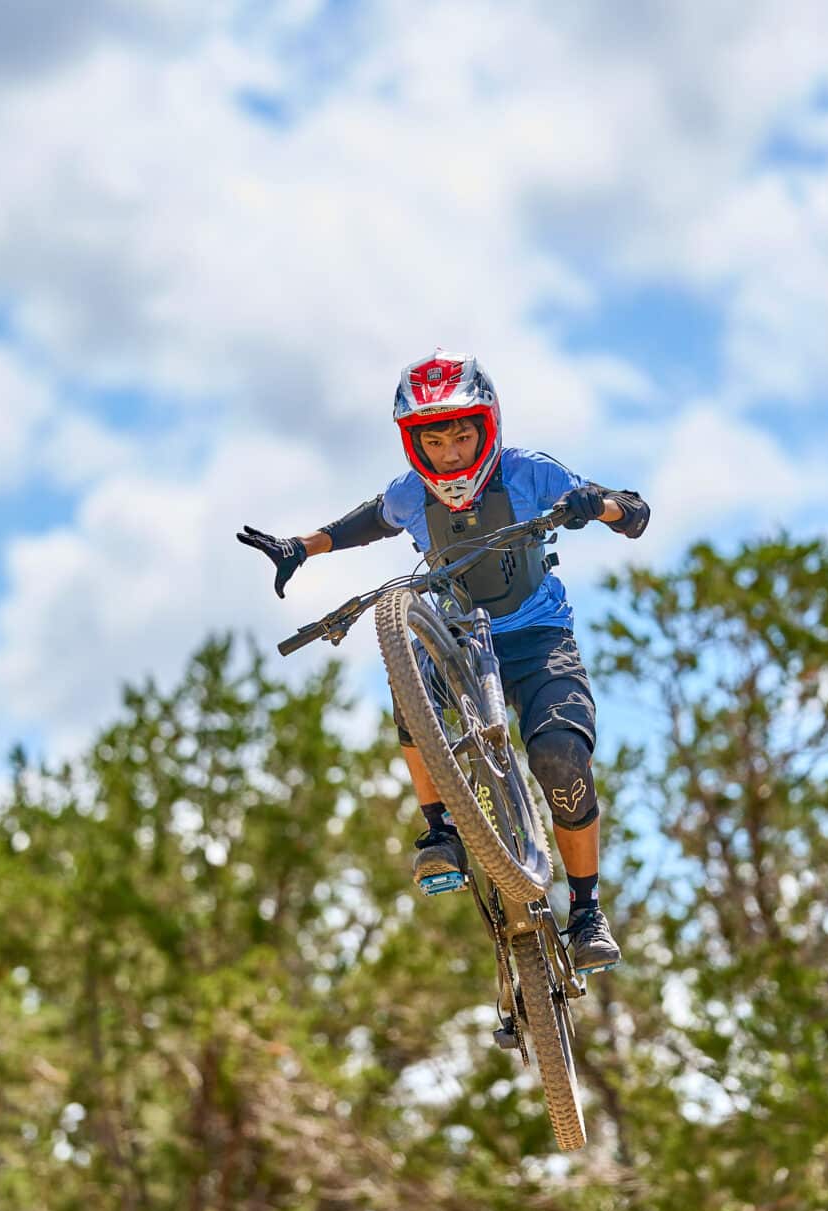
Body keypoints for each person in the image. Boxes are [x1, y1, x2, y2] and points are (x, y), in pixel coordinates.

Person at [237, 349, 650, 973]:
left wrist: (605, 506)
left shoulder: (528, 473)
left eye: (464, 434)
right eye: (437, 439)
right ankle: (440, 833)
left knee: (560, 759)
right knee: (411, 692)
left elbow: (630, 512)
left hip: (537, 636)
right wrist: (300, 547)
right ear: (415, 442)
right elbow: (364, 523)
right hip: (457, 635)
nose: (452, 452)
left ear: (487, 427)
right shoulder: (411, 493)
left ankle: (588, 910)